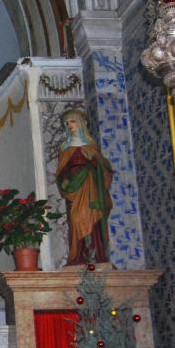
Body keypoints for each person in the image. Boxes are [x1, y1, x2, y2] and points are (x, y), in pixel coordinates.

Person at [56, 109, 113, 266]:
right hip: (75, 190)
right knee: (76, 219)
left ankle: (96, 256)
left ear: (82, 123)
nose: (69, 125)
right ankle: (79, 256)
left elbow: (105, 169)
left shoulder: (92, 147)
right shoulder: (65, 148)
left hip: (91, 190)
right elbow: (61, 171)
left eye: (72, 121)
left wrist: (94, 162)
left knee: (94, 219)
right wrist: (66, 178)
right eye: (67, 123)